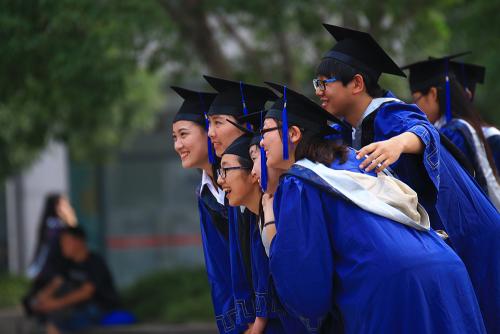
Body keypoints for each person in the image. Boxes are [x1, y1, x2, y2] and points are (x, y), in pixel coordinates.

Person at [314, 24, 500, 332]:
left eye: (324, 83)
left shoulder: (390, 114)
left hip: (470, 233)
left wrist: (398, 143)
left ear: (357, 84)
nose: (318, 91)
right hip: (442, 239)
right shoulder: (348, 128)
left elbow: (423, 131)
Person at [260, 82, 486, 333]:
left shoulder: (300, 183)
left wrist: (271, 228)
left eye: (265, 132)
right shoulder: (356, 162)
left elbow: (307, 285)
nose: (260, 143)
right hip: (447, 270)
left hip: (394, 288)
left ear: (292, 134)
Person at [171, 86, 248, 334]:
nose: (178, 145)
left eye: (183, 134)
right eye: (174, 137)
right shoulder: (204, 193)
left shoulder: (246, 183)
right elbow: (218, 272)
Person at [204, 76, 277, 333]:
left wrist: (258, 322)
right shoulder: (235, 190)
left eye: (217, 123)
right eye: (208, 124)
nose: (210, 133)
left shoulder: (274, 188)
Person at [402, 54, 500, 207]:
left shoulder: (454, 133)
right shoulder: (454, 128)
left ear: (433, 94)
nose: (414, 107)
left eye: (416, 100)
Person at [31, 226, 119, 334]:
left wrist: (55, 304)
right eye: (61, 243)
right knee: (44, 319)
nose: (62, 246)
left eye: (66, 242)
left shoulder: (95, 262)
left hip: (100, 307)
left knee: (60, 322)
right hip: (77, 308)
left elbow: (86, 293)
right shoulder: (68, 264)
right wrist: (40, 300)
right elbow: (56, 284)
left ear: (79, 242)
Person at [23, 194, 78, 316]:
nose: (67, 208)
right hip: (55, 274)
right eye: (64, 205)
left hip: (50, 273)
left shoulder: (50, 225)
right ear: (57, 207)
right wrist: (71, 220)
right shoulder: (55, 227)